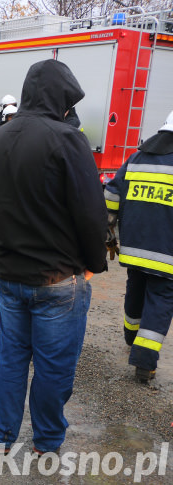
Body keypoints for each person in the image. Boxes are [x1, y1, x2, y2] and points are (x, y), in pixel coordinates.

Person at [0, 59, 108, 455]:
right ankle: (46, 443)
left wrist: (0, 252)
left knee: (12, 358)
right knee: (53, 368)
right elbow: (89, 212)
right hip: (58, 280)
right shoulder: (67, 140)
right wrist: (93, 263)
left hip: (11, 276)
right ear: (61, 99)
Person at [103, 110, 173, 383]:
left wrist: (108, 229)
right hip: (167, 253)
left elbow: (111, 193)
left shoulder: (136, 158)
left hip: (134, 247)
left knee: (136, 289)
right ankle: (144, 364)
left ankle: (131, 336)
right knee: (161, 300)